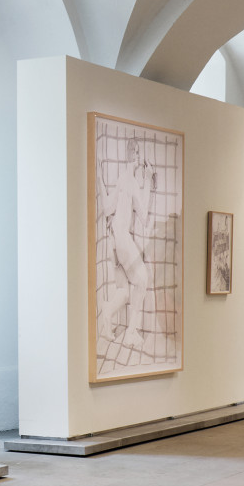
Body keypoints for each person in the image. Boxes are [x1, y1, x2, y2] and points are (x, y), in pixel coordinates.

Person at [98, 138, 155, 351]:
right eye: (137, 152)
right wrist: (148, 180)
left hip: (114, 240)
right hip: (121, 238)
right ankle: (130, 333)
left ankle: (107, 313)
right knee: (142, 280)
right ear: (133, 155)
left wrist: (99, 177)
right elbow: (143, 215)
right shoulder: (130, 180)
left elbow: (106, 207)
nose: (138, 156)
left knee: (123, 291)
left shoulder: (122, 178)